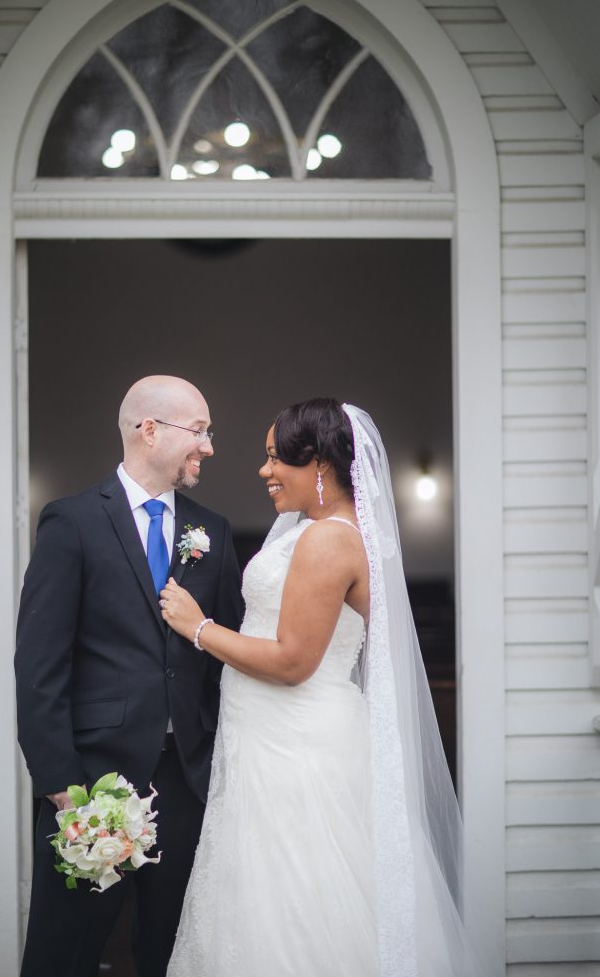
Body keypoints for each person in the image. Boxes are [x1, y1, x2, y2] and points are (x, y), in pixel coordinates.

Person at [160, 398, 500, 977]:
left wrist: (199, 629)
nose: (264, 472)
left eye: (274, 459)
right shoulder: (316, 533)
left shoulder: (328, 541)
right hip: (274, 740)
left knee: (297, 902)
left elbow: (294, 661)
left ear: (316, 463)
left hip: (298, 751)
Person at [14, 375, 243, 977]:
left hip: (187, 783)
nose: (209, 447)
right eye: (199, 431)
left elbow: (228, 662)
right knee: (64, 954)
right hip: (91, 782)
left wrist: (220, 768)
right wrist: (62, 787)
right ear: (149, 430)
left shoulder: (212, 532)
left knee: (173, 954)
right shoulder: (72, 522)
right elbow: (40, 666)